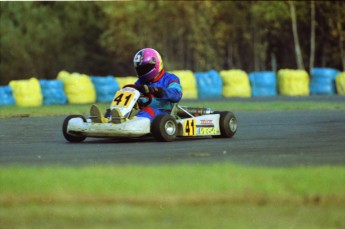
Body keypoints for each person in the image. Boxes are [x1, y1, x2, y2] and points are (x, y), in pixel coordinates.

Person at [90, 48, 182, 123]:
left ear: (155, 64)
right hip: (142, 110)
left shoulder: (170, 78)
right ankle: (108, 119)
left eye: (145, 68)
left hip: (162, 113)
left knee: (147, 111)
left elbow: (176, 94)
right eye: (140, 69)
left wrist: (157, 91)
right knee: (120, 110)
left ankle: (131, 124)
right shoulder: (141, 81)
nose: (142, 71)